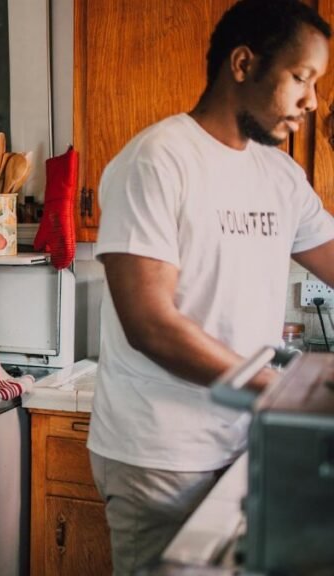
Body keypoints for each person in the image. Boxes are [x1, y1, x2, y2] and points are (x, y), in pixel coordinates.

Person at [88, 1, 334, 573]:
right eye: (301, 78)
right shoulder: (158, 160)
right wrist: (283, 394)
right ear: (243, 63)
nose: (312, 102)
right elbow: (150, 323)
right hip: (160, 455)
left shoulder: (280, 175)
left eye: (316, 84)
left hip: (243, 445)